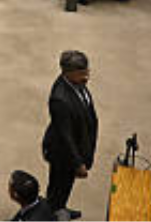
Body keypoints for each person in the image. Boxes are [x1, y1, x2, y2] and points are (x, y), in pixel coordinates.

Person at [42, 50, 98, 218]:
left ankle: (61, 207)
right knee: (58, 185)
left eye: (87, 71)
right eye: (82, 73)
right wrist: (78, 163)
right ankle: (51, 214)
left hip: (76, 146)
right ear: (68, 73)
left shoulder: (78, 85)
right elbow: (65, 136)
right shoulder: (60, 99)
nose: (86, 77)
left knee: (66, 185)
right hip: (62, 154)